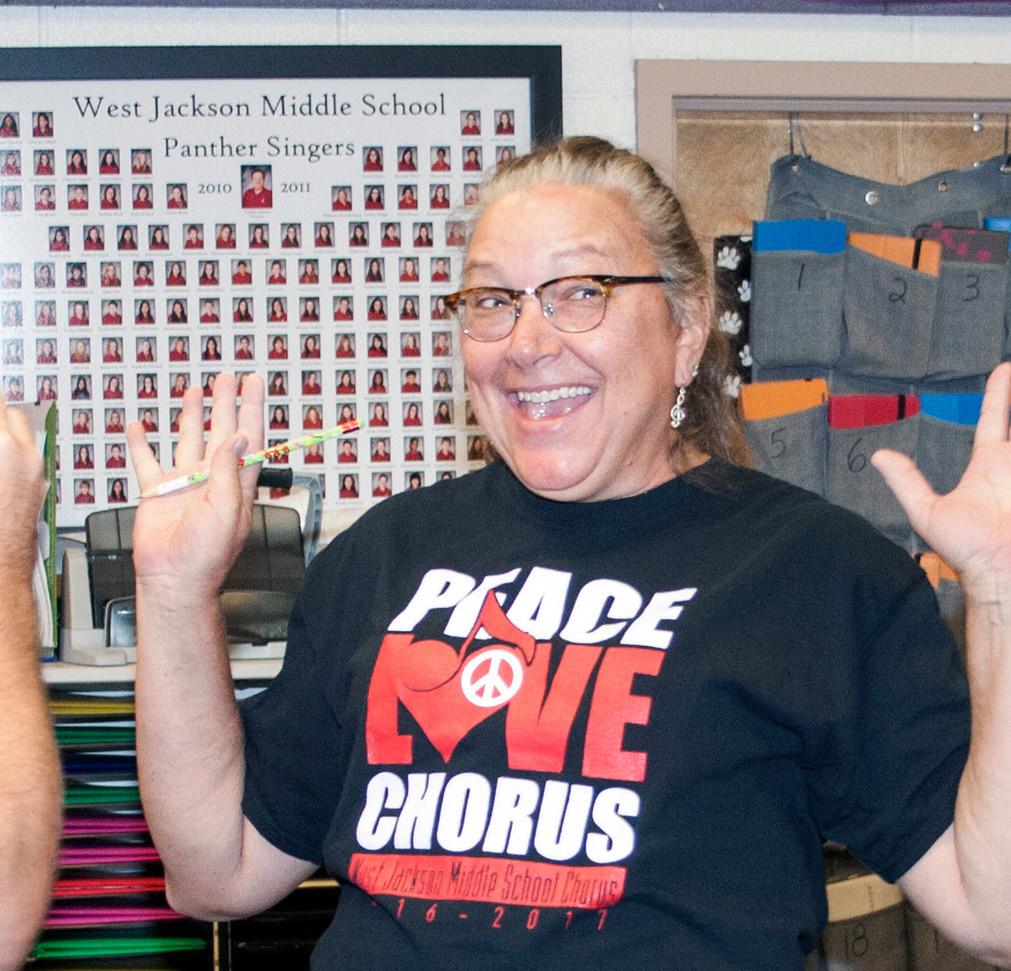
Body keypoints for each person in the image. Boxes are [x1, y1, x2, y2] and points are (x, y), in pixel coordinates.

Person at [126, 136, 1011, 968]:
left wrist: (1002, 589)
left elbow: (993, 910)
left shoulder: (815, 572)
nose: (527, 343)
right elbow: (214, 874)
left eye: (580, 291)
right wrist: (172, 590)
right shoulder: (384, 557)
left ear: (685, 327)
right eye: (491, 301)